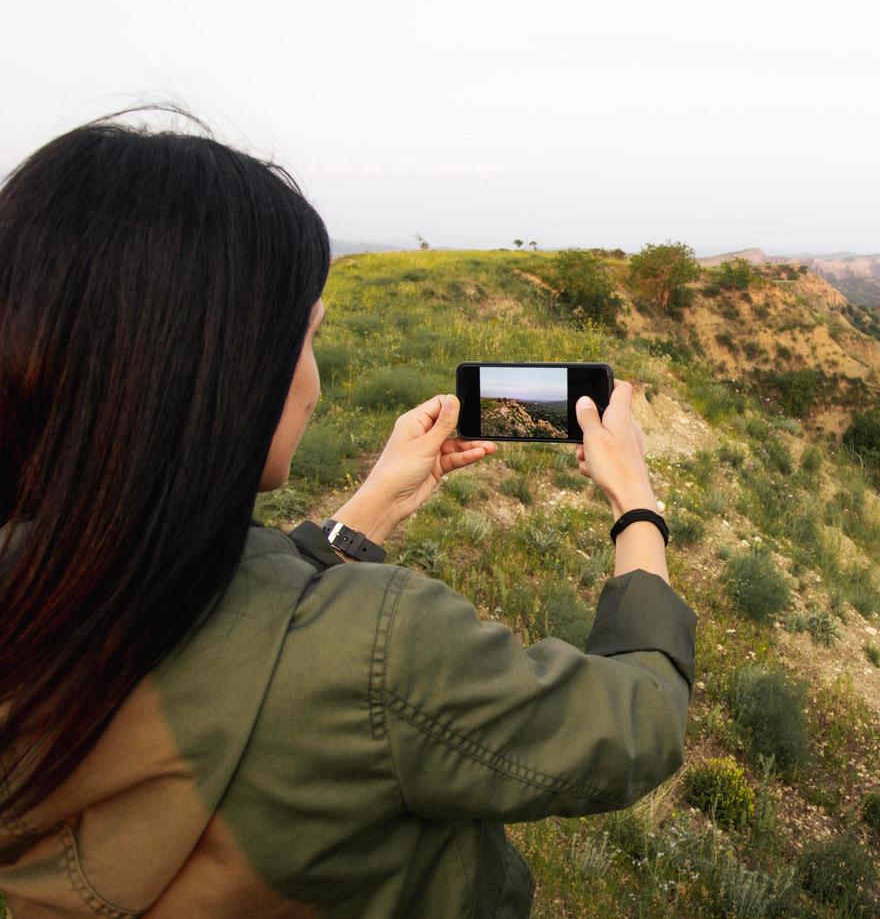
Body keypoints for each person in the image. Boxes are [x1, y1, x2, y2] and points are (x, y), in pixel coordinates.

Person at [0, 112, 696, 916]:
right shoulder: (383, 652)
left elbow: (217, 607)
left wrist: (372, 505)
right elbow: (637, 723)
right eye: (305, 340)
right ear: (223, 369)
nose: (312, 380)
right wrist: (636, 502)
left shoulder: (40, 595)